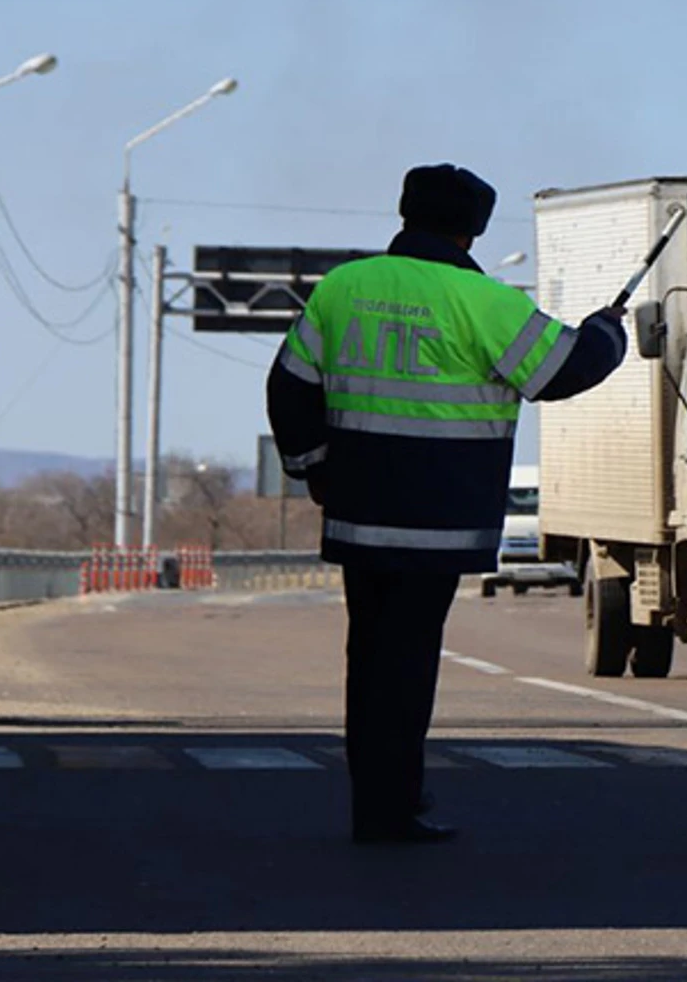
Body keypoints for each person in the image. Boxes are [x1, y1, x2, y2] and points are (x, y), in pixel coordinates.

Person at [266, 164, 626, 845]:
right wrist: (607, 331)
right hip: (439, 519)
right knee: (408, 662)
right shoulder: (482, 299)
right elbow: (561, 370)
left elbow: (288, 388)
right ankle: (393, 808)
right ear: (475, 228)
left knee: (368, 658)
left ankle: (377, 802)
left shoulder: (344, 287)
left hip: (358, 512)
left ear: (404, 212)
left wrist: (310, 468)